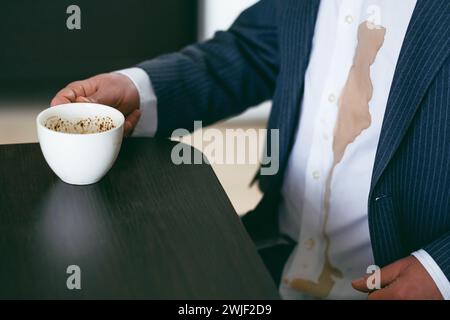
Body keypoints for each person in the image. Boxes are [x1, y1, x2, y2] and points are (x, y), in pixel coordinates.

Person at [51, 0, 450, 300]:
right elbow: (253, 51)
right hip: (273, 251)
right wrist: (137, 89)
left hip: (400, 279)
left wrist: (441, 272)